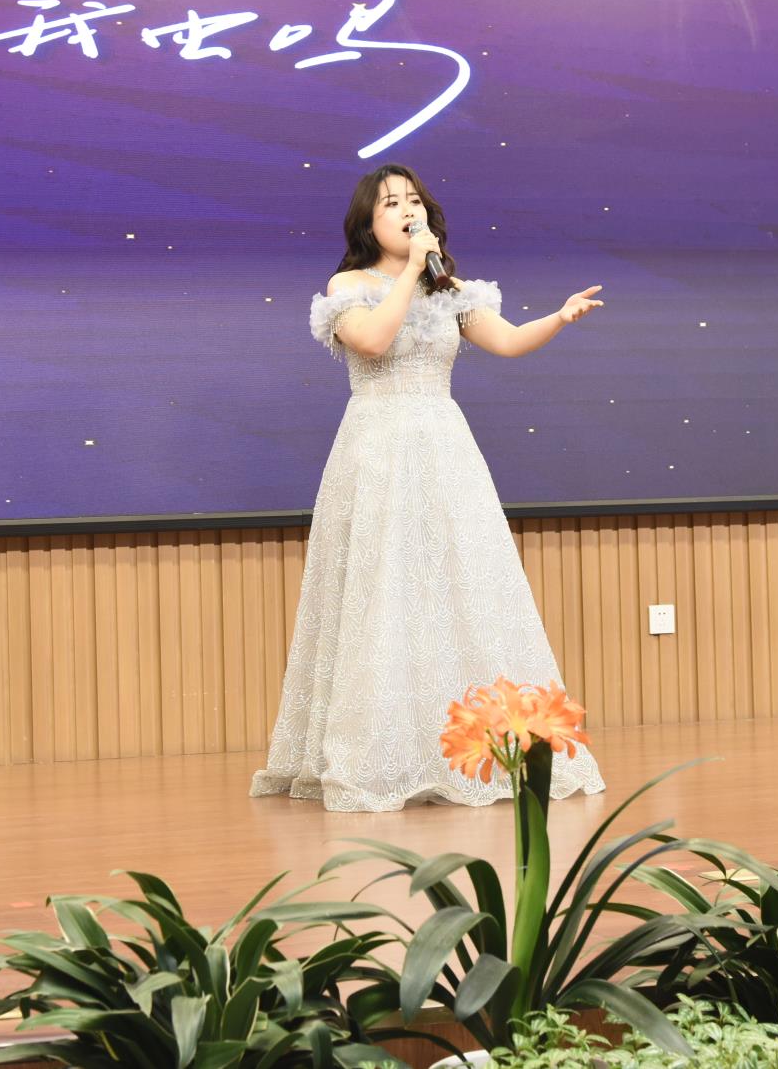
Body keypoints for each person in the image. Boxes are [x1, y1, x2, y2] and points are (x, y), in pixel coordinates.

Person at [250, 162, 608, 812]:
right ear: (368, 220)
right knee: (382, 588)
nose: (407, 210)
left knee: (458, 583)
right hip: (377, 449)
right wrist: (413, 269)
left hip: (444, 448)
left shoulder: (451, 289)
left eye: (413, 200)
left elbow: (507, 341)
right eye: (391, 202)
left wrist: (558, 317)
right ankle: (377, 755)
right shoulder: (348, 286)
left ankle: (477, 748)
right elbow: (373, 341)